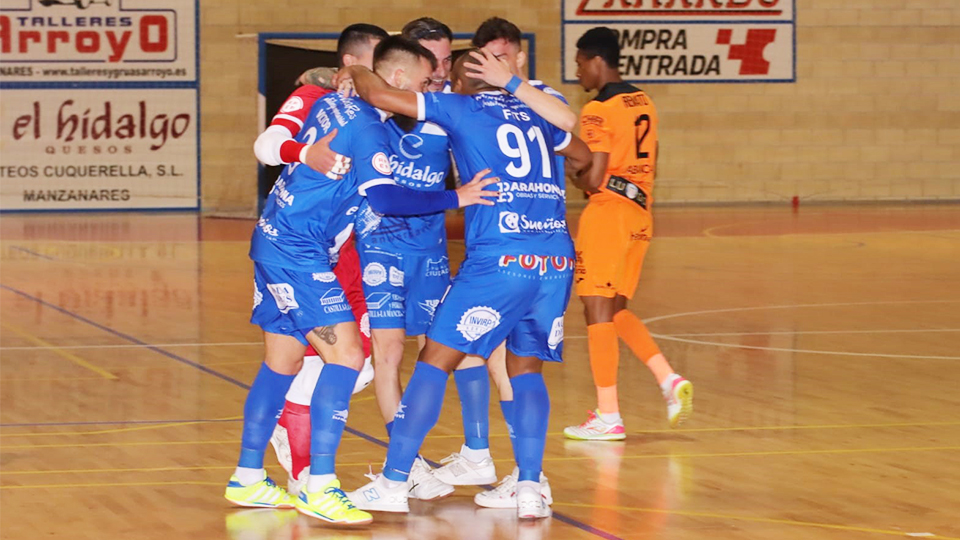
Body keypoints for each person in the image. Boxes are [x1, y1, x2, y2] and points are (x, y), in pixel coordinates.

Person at [224, 36, 499, 526]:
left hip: (278, 239)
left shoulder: (334, 102)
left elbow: (322, 91)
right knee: (349, 357)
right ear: (397, 80)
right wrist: (457, 198)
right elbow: (387, 200)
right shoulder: (369, 127)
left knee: (282, 362)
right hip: (299, 251)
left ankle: (247, 476)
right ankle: (319, 485)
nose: (428, 91)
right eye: (424, 83)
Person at [336, 50, 594, 520]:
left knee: (434, 360)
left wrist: (353, 69)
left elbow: (379, 95)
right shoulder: (536, 111)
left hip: (501, 257)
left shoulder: (461, 107)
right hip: (555, 257)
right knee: (526, 369)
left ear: (459, 84)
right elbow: (582, 155)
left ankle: (393, 483)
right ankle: (530, 487)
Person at [429, 17, 577, 508]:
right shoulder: (468, 99)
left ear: (518, 57)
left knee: (501, 359)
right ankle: (494, 460)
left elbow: (577, 141)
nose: (493, 66)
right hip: (495, 243)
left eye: (501, 57)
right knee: (489, 355)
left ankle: (525, 472)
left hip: (518, 247)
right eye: (485, 59)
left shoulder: (538, 96)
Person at [254, 23, 390, 498]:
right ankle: (310, 472)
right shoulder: (315, 96)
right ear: (351, 65)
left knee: (354, 364)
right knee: (338, 360)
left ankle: (269, 462)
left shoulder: (379, 107)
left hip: (344, 248)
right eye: (376, 63)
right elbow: (266, 147)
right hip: (300, 247)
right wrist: (304, 152)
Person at [563, 27, 693, 439]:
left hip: (608, 215)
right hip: (640, 215)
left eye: (580, 64)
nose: (578, 72)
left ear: (596, 60)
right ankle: (668, 379)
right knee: (615, 309)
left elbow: (594, 177)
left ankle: (608, 416)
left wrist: (573, 169)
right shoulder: (644, 101)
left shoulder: (598, 109)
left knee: (595, 311)